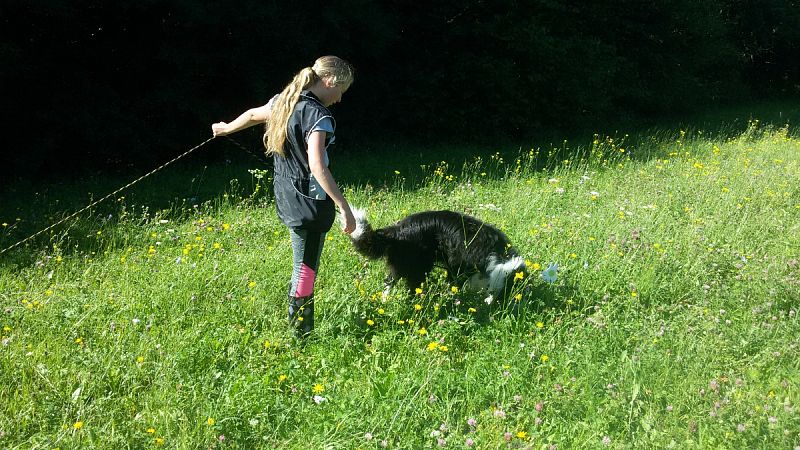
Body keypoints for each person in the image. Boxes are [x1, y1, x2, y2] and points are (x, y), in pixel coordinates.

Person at [212, 56, 356, 337]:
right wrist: (344, 208)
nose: (339, 98)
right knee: (305, 270)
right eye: (341, 90)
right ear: (329, 82)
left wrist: (227, 127)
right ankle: (300, 334)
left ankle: (300, 329)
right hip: (310, 205)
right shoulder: (319, 116)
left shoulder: (285, 102)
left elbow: (253, 115)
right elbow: (317, 165)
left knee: (303, 266)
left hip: (287, 198)